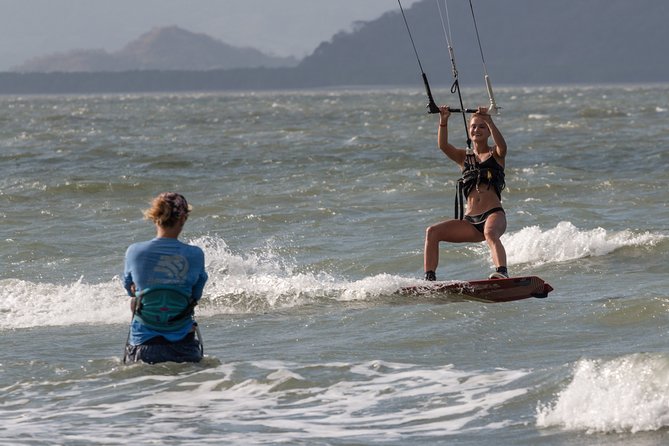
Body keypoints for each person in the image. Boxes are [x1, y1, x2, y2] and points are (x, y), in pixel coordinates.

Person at [423, 105, 508, 281]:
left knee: (490, 233)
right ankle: (429, 279)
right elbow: (444, 146)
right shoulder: (464, 157)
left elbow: (502, 146)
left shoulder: (496, 154)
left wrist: (490, 120)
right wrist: (443, 120)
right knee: (432, 232)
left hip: (493, 215)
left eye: (482, 126)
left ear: (489, 131)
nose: (477, 129)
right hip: (470, 222)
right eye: (473, 127)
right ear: (469, 131)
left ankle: (502, 272)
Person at [122, 192, 208, 364]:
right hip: (183, 346)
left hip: (144, 346)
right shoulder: (195, 254)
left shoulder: (134, 251)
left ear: (155, 216)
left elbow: (129, 288)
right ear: (183, 218)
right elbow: (196, 295)